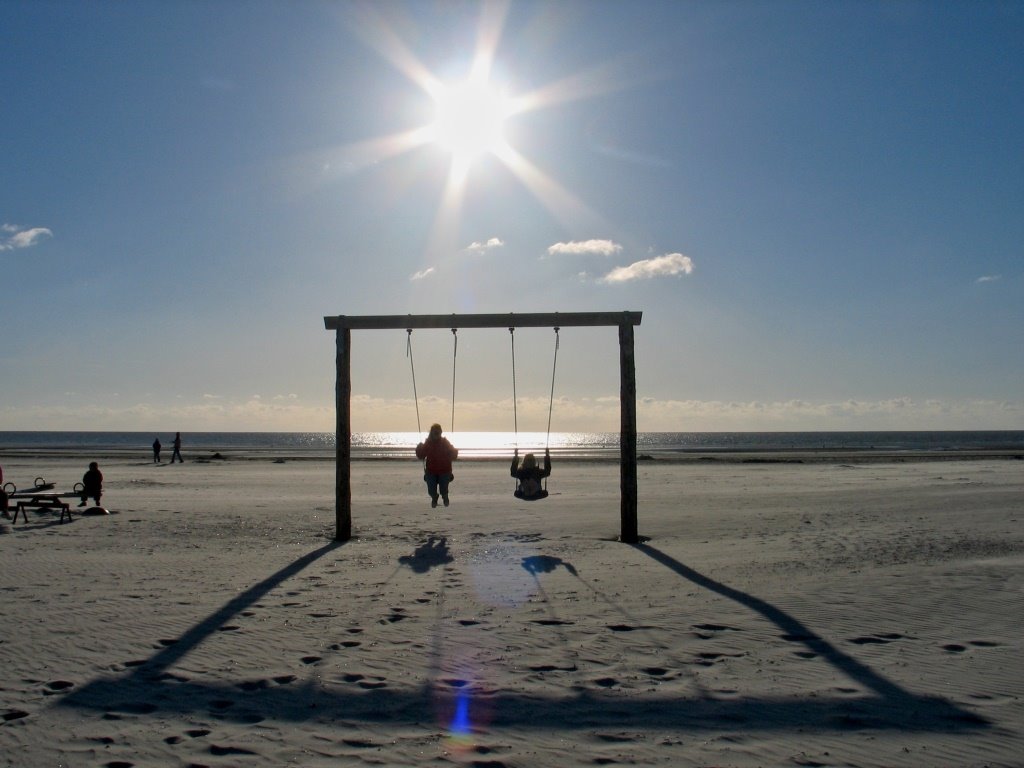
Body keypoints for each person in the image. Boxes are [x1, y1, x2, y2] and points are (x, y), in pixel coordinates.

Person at [415, 423, 458, 508]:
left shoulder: (445, 442)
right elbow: (421, 455)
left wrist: (454, 451)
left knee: (443, 489)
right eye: (435, 433)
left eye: (438, 433)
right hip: (431, 471)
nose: (437, 435)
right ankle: (434, 497)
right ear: (432, 433)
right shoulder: (428, 443)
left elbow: (454, 455)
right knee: (431, 490)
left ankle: (445, 496)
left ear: (441, 433)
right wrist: (418, 449)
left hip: (445, 470)